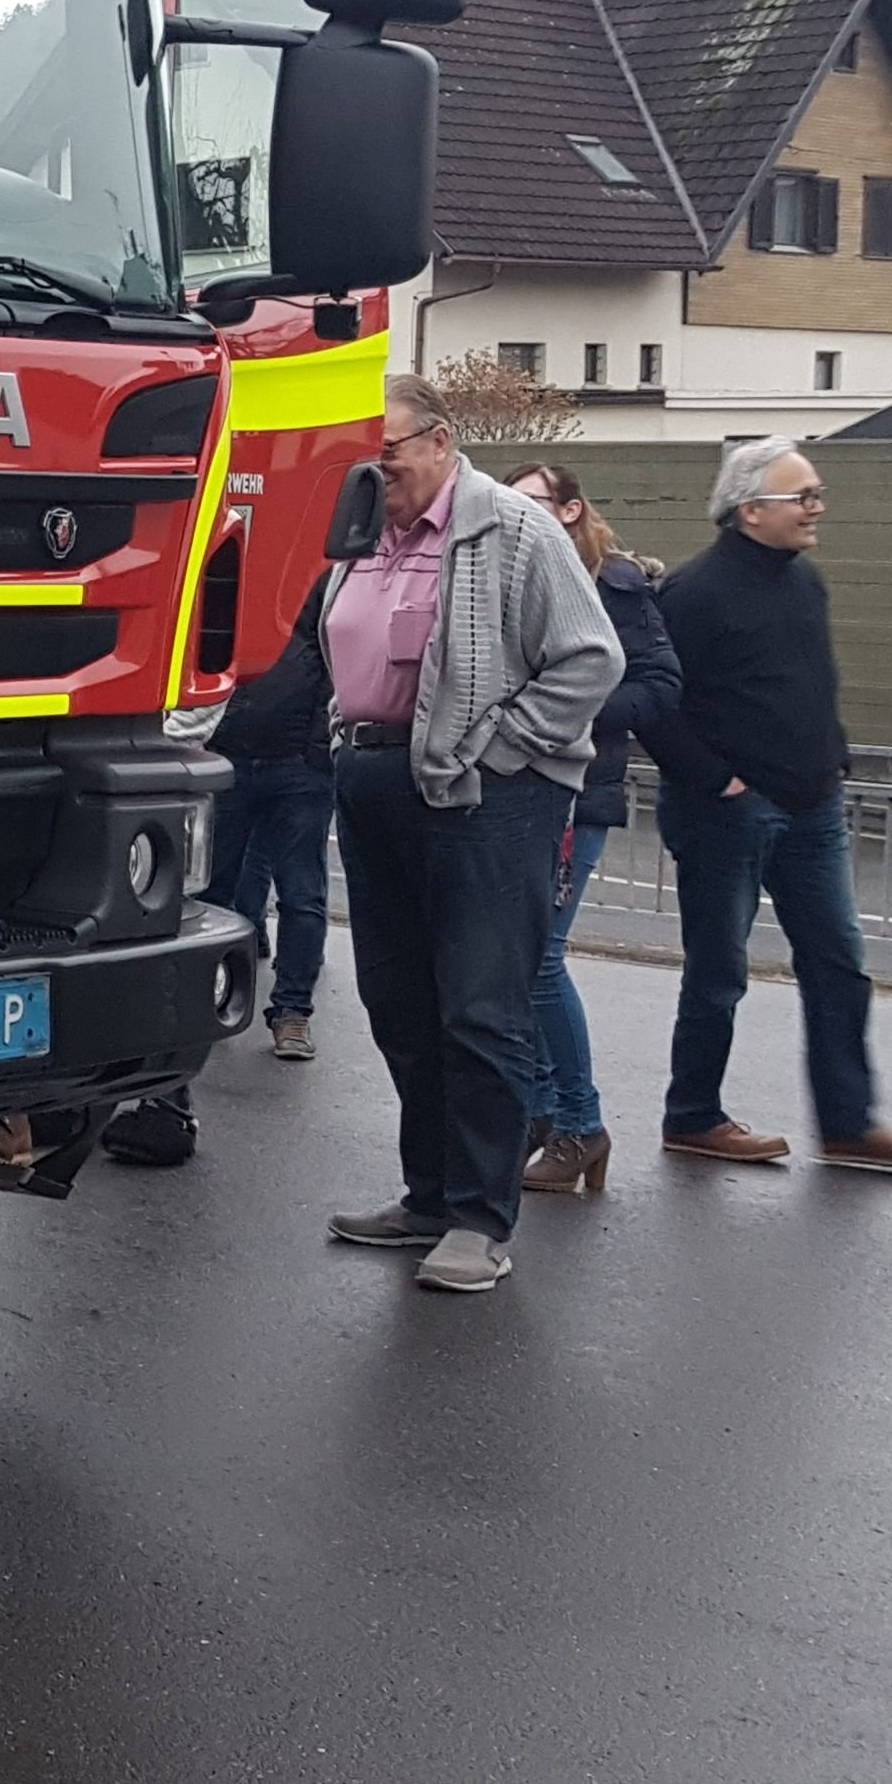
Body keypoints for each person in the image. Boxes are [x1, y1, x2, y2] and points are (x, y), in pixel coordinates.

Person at [319, 375, 621, 1291]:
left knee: (482, 1010)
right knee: (400, 1004)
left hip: (486, 797)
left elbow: (592, 657)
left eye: (389, 450)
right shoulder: (363, 527)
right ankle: (430, 1195)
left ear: (442, 442)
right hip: (375, 779)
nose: (376, 469)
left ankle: (482, 1220)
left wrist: (501, 750)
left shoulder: (514, 530)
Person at [647, 439, 892, 1173]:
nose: (818, 508)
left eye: (817, 494)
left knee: (839, 965)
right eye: (804, 497)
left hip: (813, 806)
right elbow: (657, 705)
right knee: (720, 971)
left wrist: (835, 751)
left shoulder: (805, 583)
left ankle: (849, 1122)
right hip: (727, 812)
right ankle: (693, 1114)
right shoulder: (695, 592)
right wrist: (715, 780)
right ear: (750, 510)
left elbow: (807, 679)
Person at [100, 564, 341, 1168]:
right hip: (232, 757)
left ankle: (290, 1013)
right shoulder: (228, 577)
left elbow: (336, 665)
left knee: (300, 894)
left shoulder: (316, 575)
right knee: (213, 903)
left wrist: (317, 749)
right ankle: (204, 1022)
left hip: (293, 765)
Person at [501, 463, 684, 1195]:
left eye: (533, 505)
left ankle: (581, 1122)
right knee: (516, 959)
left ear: (572, 510)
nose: (517, 520)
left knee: (541, 958)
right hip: (514, 788)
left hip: (580, 795)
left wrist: (570, 708)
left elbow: (660, 684)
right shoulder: (499, 576)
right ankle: (546, 1114)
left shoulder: (618, 586)